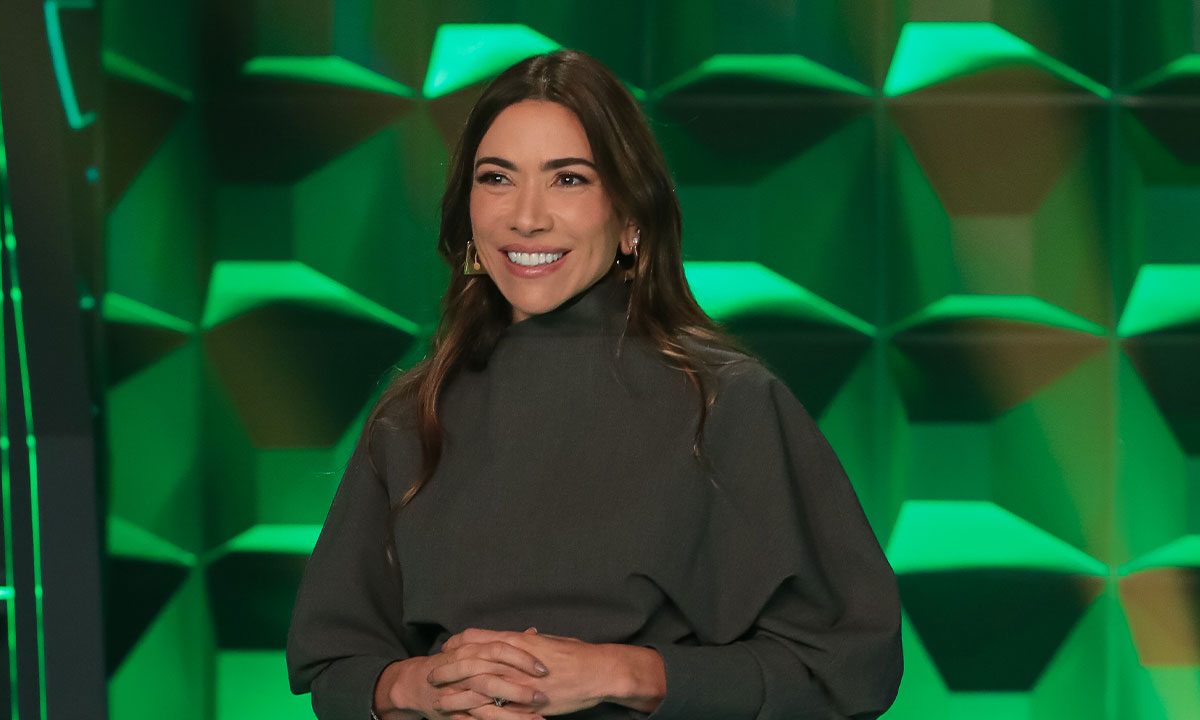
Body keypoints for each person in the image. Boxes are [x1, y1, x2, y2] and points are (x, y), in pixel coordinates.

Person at [286, 49, 903, 720]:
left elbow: (849, 671)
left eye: (569, 179)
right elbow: (335, 670)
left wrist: (623, 673)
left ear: (632, 218)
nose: (527, 217)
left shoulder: (730, 404)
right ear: (467, 212)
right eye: (497, 178)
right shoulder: (412, 414)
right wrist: (418, 686)